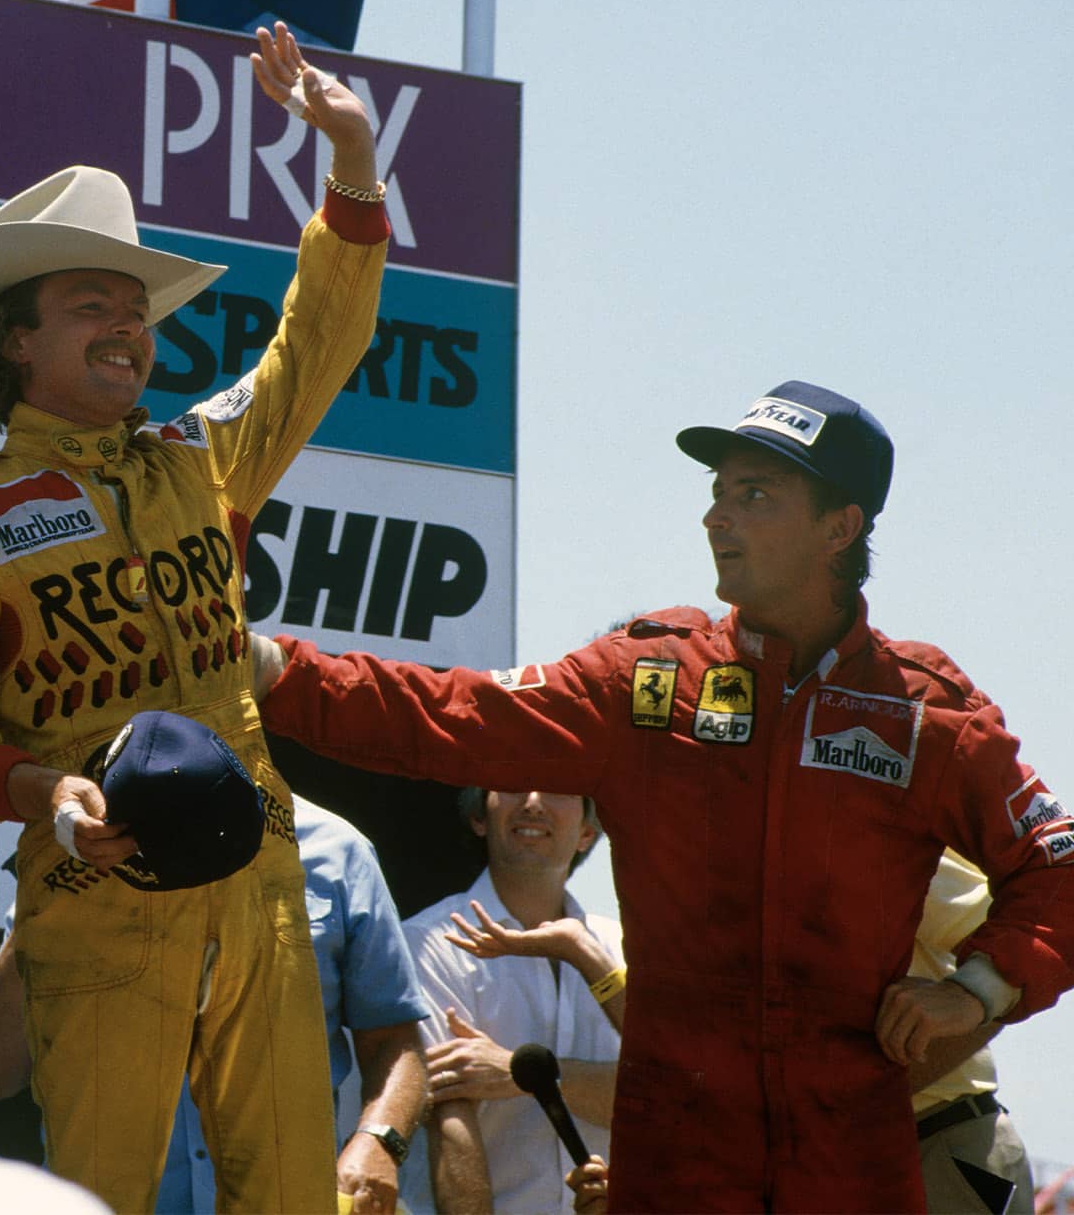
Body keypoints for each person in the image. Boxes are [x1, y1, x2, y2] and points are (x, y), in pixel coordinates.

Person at [255, 380, 1074, 1210]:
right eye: (719, 493)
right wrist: (273, 672)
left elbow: (1061, 865)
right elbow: (446, 712)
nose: (716, 517)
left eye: (755, 495)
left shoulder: (922, 712)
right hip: (674, 1170)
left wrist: (978, 990)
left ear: (841, 527)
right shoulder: (647, 676)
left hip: (852, 1171)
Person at [0, 20, 390, 1212]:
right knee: (97, 1198)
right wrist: (38, 788)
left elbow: (319, 339)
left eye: (135, 307)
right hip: (88, 891)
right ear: (16, 339)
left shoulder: (197, 458)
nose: (125, 325)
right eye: (89, 304)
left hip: (258, 877)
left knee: (291, 1199)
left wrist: (351, 159)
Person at [0, 794, 433, 1214]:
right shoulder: (72, 853)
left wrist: (378, 1142)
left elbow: (395, 1042)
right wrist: (41, 906)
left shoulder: (335, 849)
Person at [394, 787, 621, 1215]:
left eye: (558, 787)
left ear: (588, 832)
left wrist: (519, 1073)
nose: (533, 801)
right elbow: (450, 1112)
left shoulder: (623, 948)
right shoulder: (427, 942)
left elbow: (662, 1095)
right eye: (513, 782)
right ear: (479, 818)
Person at [908, 849, 1034, 1214]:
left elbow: (1019, 961)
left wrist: (877, 1088)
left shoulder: (877, 838)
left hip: (941, 1142)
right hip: (838, 1153)